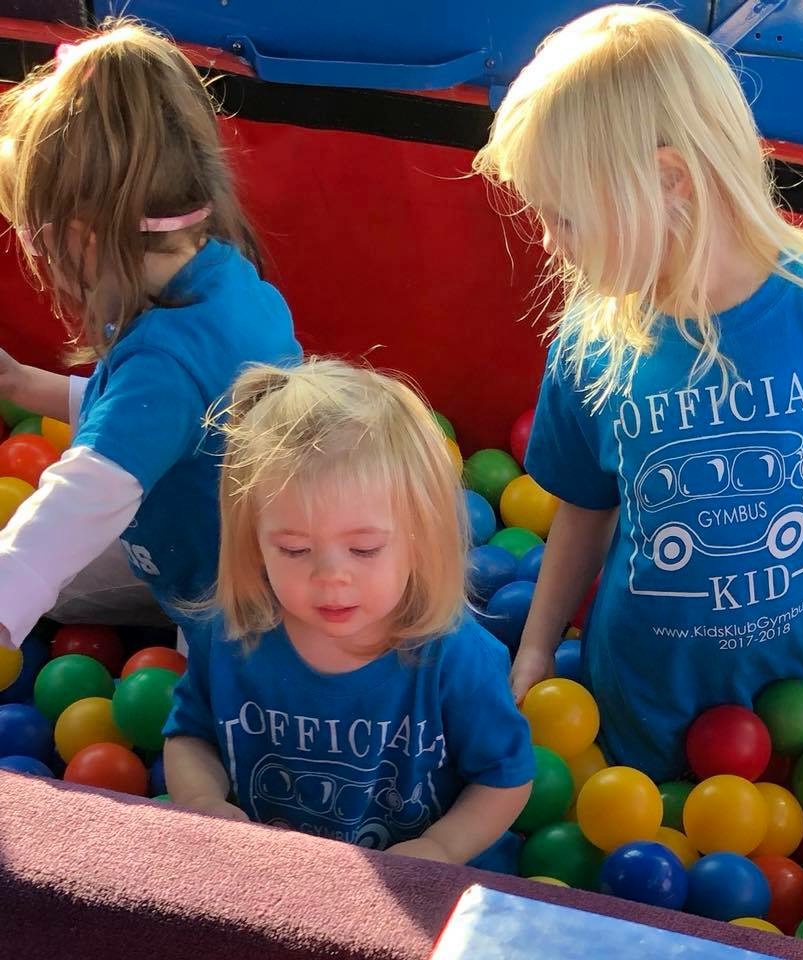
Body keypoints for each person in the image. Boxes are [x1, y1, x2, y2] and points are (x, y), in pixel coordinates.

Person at [473, 5, 803, 782]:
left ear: (668, 181)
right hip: (632, 702)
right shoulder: (594, 342)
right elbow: (584, 514)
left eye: (565, 217)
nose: (550, 243)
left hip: (788, 710)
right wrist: (534, 649)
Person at [0, 21, 300, 648]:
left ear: (80, 238)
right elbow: (156, 418)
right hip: (220, 538)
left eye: (34, 239)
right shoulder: (224, 277)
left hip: (236, 607)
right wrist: (23, 384)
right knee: (62, 583)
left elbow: (81, 499)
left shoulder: (164, 365)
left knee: (200, 706)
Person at [163, 358, 534, 861]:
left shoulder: (454, 657)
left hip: (418, 884)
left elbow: (504, 778)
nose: (331, 576)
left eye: (364, 549)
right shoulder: (231, 635)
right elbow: (191, 735)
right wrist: (201, 800)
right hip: (274, 877)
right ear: (254, 543)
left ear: (419, 541)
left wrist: (442, 847)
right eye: (294, 549)